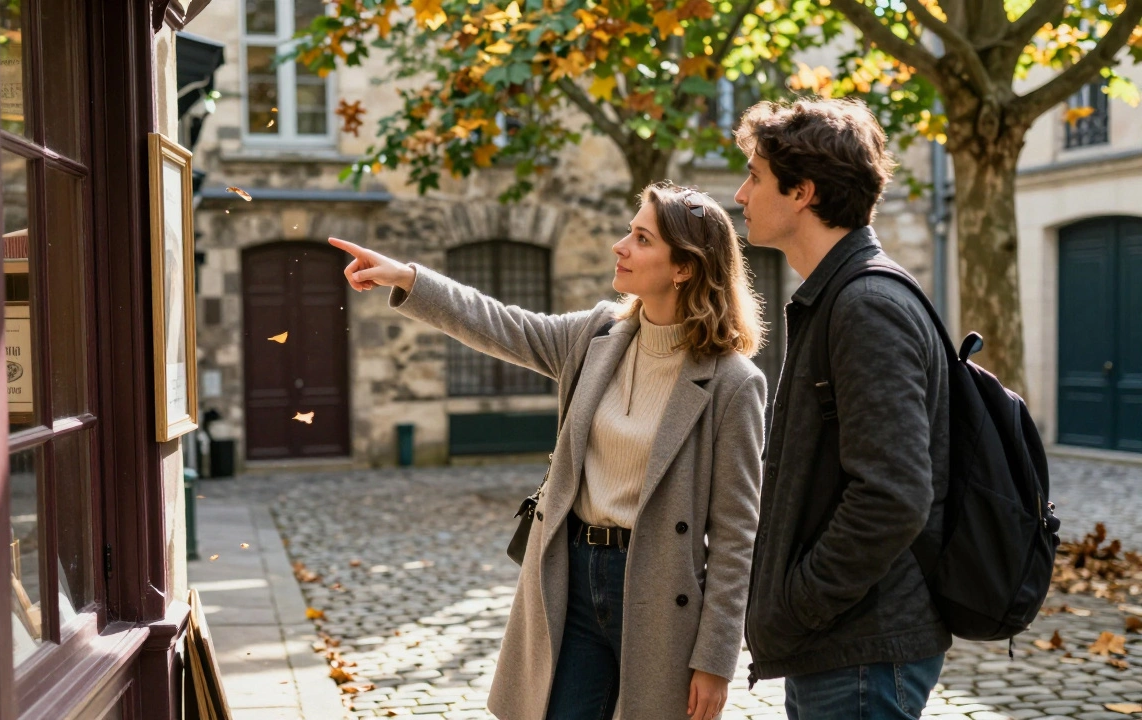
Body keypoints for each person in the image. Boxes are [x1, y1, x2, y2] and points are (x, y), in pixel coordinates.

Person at [328, 180, 767, 720]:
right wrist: (408, 278)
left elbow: (736, 534)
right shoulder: (595, 336)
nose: (620, 246)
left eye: (642, 238)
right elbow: (499, 324)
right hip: (571, 572)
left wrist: (716, 659)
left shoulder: (732, 383)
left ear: (684, 268)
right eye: (630, 232)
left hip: (658, 591)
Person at [734, 97, 951, 719]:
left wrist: (800, 603)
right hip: (842, 646)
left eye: (755, 175)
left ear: (801, 192)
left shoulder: (865, 306)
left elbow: (893, 495)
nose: (743, 194)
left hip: (859, 649)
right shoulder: (838, 297)